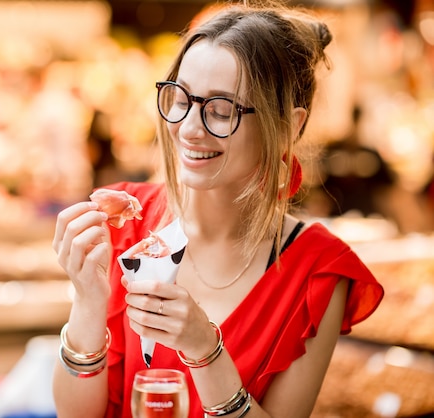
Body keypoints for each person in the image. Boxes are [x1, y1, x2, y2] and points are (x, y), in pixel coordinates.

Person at [51, 2, 384, 417]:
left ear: (289, 126)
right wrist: (87, 301)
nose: (189, 128)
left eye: (221, 110)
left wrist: (204, 350)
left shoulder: (317, 270)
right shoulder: (124, 223)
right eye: (180, 98)